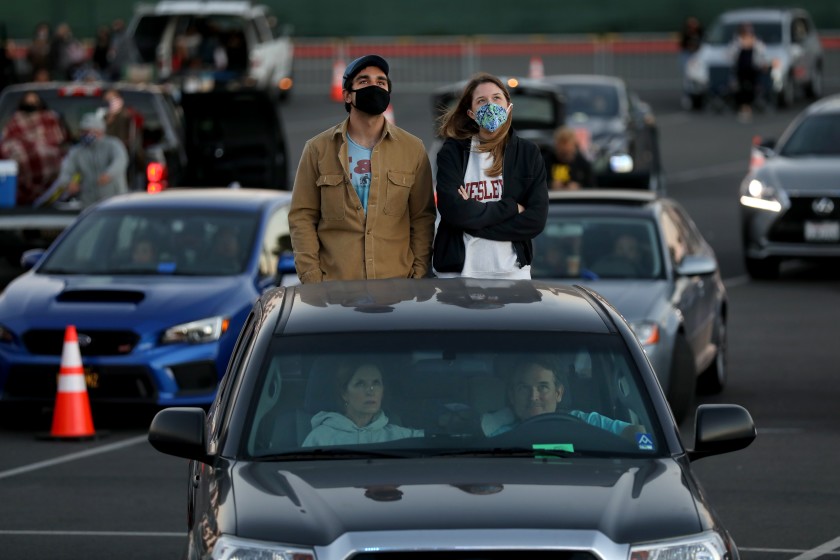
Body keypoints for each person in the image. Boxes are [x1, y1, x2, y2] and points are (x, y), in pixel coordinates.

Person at [289, 54, 436, 283]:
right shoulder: (317, 149)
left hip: (397, 291)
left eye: (381, 82)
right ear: (347, 95)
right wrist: (313, 279)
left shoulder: (413, 149)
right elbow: (302, 218)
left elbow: (423, 219)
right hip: (335, 292)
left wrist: (417, 274)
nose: (374, 87)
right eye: (364, 82)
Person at [433, 72, 548, 279]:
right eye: (481, 101)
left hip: (512, 275)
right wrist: (511, 207)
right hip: (458, 275)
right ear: (470, 113)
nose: (490, 105)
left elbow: (535, 220)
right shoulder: (453, 151)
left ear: (508, 106)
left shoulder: (527, 153)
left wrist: (473, 224)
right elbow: (453, 211)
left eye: (496, 98)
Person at [480, 357, 645, 442]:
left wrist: (646, 445)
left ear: (558, 393)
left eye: (543, 387)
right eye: (523, 388)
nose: (533, 397)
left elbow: (641, 436)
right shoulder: (497, 434)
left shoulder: (584, 422)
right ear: (512, 396)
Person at [302, 362, 423, 446]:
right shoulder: (321, 438)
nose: (371, 390)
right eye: (360, 384)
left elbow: (436, 441)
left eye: (376, 383)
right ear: (344, 393)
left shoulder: (399, 436)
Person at [0, 92, 69, 205]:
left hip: (48, 154)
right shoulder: (15, 119)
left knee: (52, 154)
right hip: (23, 155)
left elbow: (58, 138)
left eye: (34, 101)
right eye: (29, 101)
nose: (31, 103)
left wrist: (40, 146)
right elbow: (7, 140)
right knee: (19, 154)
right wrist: (28, 145)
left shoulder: (50, 117)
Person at [52, 112, 129, 208]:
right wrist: (68, 183)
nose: (87, 135)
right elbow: (66, 169)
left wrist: (109, 174)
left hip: (115, 197)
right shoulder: (77, 151)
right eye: (84, 132)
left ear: (101, 131)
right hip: (89, 200)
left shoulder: (113, 145)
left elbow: (120, 161)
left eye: (91, 131)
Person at [102, 88, 144, 187]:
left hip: (122, 156)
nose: (109, 102)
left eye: (112, 99)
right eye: (107, 99)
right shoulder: (103, 117)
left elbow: (126, 139)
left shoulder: (126, 117)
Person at [729, 22, 768, 122]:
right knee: (741, 88)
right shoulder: (737, 41)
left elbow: (762, 52)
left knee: (751, 87)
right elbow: (730, 54)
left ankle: (750, 106)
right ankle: (743, 107)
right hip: (741, 70)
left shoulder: (756, 41)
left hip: (752, 70)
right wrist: (741, 45)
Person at [543, 126, 594, 190]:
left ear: (574, 145)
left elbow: (592, 186)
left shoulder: (583, 165)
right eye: (561, 144)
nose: (564, 149)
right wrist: (550, 184)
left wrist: (579, 187)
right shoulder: (546, 163)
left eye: (567, 144)